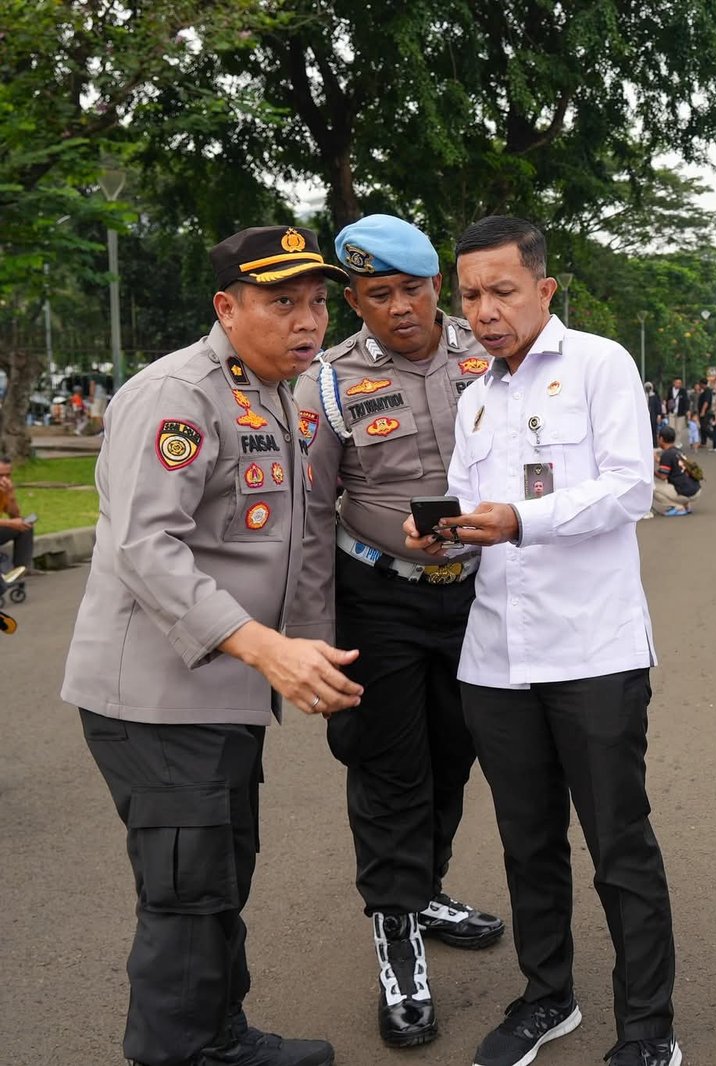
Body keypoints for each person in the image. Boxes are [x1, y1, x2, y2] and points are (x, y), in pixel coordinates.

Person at [61, 225, 363, 1066]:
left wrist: (309, 652)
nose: (308, 321)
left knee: (220, 872)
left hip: (224, 692)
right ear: (227, 308)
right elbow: (145, 548)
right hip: (156, 697)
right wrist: (267, 649)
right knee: (186, 892)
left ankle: (218, 1035)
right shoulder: (178, 396)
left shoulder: (276, 392)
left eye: (317, 302)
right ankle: (180, 1050)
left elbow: (289, 541)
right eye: (282, 302)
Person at [403, 215, 682, 1066]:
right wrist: (443, 535)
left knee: (619, 845)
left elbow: (629, 489)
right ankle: (547, 996)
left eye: (503, 291)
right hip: (496, 657)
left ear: (545, 289)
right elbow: (466, 503)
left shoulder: (600, 364)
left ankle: (648, 1029)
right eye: (470, 295)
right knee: (527, 843)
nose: (484, 311)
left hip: (592, 651)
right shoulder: (477, 395)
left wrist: (520, 519)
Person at [287, 214, 502, 1050]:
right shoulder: (328, 382)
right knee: (390, 769)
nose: (401, 307)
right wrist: (312, 636)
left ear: (437, 286)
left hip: (477, 596)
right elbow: (311, 513)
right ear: (356, 300)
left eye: (413, 289)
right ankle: (398, 940)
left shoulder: (490, 354)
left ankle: (426, 889)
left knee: (455, 754)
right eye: (379, 294)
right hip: (377, 600)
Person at [0, 455, 36, 582]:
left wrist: (11, 495)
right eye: (0, 476)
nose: (4, 479)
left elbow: (15, 515)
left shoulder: (4, 489)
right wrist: (10, 523)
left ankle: (19, 572)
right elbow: (11, 521)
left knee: (25, 526)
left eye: (8, 475)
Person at [652, 425, 700, 516]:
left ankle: (678, 507)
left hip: (685, 491)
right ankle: (686, 505)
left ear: (661, 439)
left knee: (652, 489)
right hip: (695, 489)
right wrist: (658, 460)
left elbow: (663, 476)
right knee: (677, 480)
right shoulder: (678, 451)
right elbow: (673, 464)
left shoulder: (666, 455)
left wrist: (651, 472)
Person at [667, 377, 689, 442]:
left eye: (680, 383)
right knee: (671, 429)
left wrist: (687, 410)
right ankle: (671, 442)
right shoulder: (670, 390)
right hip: (672, 412)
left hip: (680, 413)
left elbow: (686, 401)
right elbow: (668, 400)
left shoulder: (683, 391)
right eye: (677, 383)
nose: (678, 384)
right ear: (674, 383)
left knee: (679, 430)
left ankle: (677, 443)